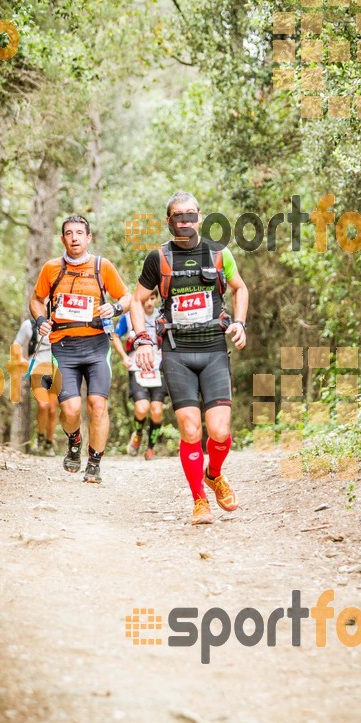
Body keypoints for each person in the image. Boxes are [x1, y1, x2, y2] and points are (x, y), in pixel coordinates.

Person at [130, 191, 249, 525]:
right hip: (176, 353)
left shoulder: (219, 253)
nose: (184, 221)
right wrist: (142, 340)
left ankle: (214, 474)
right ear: (169, 221)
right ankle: (199, 500)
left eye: (190, 215)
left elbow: (240, 288)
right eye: (177, 216)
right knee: (191, 428)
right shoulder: (159, 258)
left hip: (212, 350)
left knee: (220, 431)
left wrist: (239, 323)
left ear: (199, 216)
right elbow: (137, 300)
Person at [29, 215, 131, 484]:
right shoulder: (51, 268)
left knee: (97, 405)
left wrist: (116, 307)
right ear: (62, 239)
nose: (74, 237)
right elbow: (37, 300)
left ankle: (94, 462)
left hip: (97, 345)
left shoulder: (102, 266)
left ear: (88, 238)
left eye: (79, 233)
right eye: (68, 233)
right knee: (71, 410)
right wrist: (41, 320)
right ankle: (74, 441)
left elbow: (127, 297)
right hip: (63, 347)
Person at [112, 290, 168, 460]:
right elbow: (115, 335)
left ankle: (150, 448)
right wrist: (123, 357)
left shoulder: (163, 316)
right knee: (142, 408)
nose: (149, 303)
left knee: (157, 411)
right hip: (137, 368)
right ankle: (137, 434)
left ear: (157, 298)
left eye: (153, 298)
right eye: (147, 298)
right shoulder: (130, 317)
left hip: (158, 368)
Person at [13, 316, 58, 456]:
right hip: (37, 368)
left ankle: (49, 443)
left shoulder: (60, 322)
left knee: (52, 410)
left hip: (56, 369)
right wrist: (21, 360)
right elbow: (16, 344)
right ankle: (40, 436)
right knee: (42, 405)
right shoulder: (30, 325)